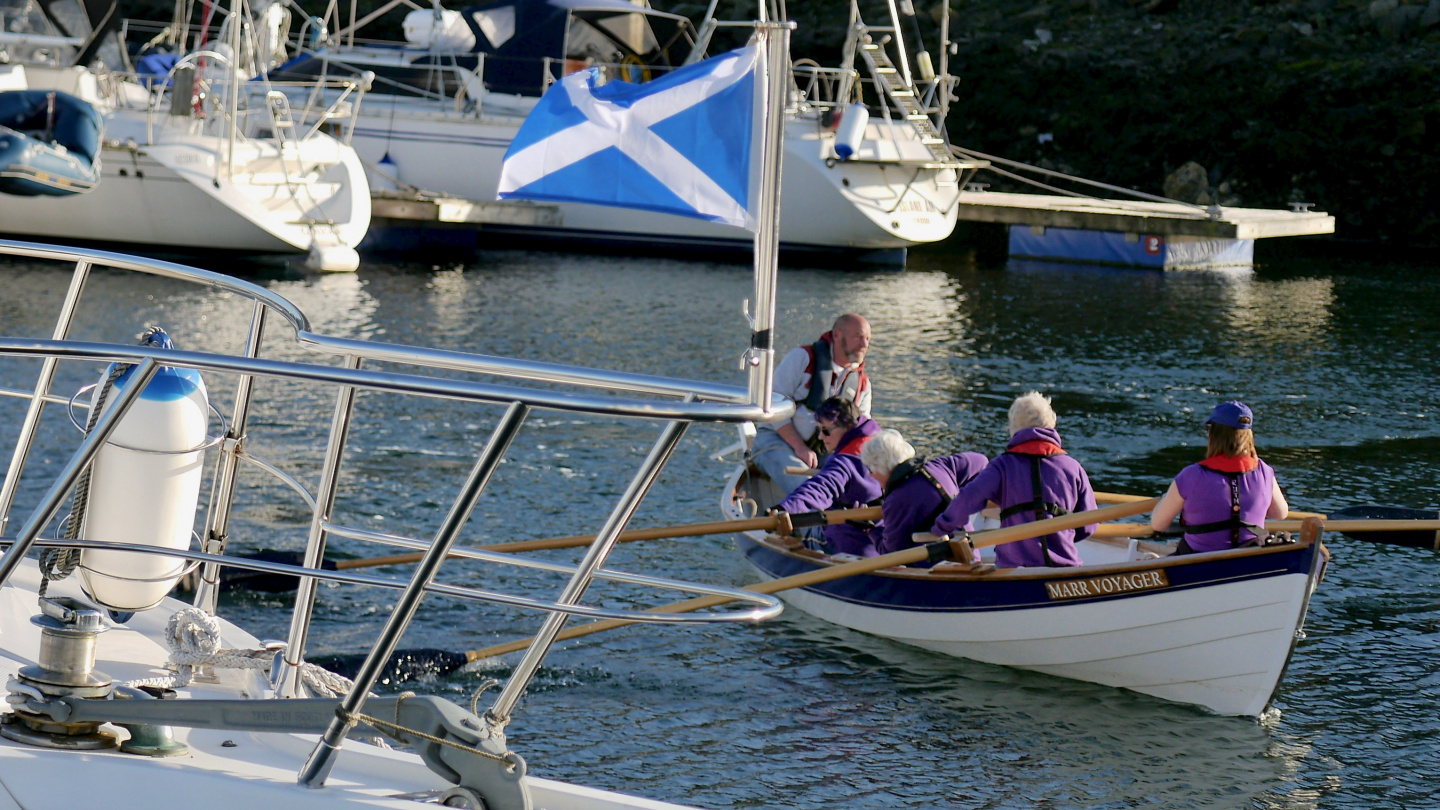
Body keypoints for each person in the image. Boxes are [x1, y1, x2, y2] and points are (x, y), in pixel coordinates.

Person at [931, 392, 1097, 568]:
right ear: (1051, 425)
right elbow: (1089, 525)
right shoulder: (1073, 467)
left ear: (1013, 428)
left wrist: (942, 527)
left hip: (1014, 568)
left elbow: (968, 498)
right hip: (1065, 569)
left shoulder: (1002, 466)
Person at [751, 314, 872, 494]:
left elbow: (860, 431)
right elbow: (771, 405)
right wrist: (799, 447)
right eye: (858, 337)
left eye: (868, 339)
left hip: (824, 451)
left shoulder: (862, 383)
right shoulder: (802, 359)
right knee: (807, 487)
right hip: (775, 440)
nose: (864, 345)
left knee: (856, 486)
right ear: (837, 335)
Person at [1149, 401, 1289, 554]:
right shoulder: (1265, 472)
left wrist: (1166, 499)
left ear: (1212, 434)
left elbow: (1158, 525)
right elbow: (1280, 514)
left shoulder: (1191, 475)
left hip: (1199, 561)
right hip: (1249, 558)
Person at [770, 397, 883, 556]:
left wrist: (783, 510)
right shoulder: (884, 442)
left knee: (805, 532)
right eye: (819, 430)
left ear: (848, 426)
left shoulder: (844, 463)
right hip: (889, 540)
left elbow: (819, 489)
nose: (821, 437)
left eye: (826, 430)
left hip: (852, 544)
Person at [860, 429, 988, 558]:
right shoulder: (940, 466)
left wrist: (871, 529)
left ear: (882, 466)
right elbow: (981, 461)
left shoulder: (895, 501)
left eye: (870, 468)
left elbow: (891, 554)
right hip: (972, 555)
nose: (870, 474)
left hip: (937, 570)